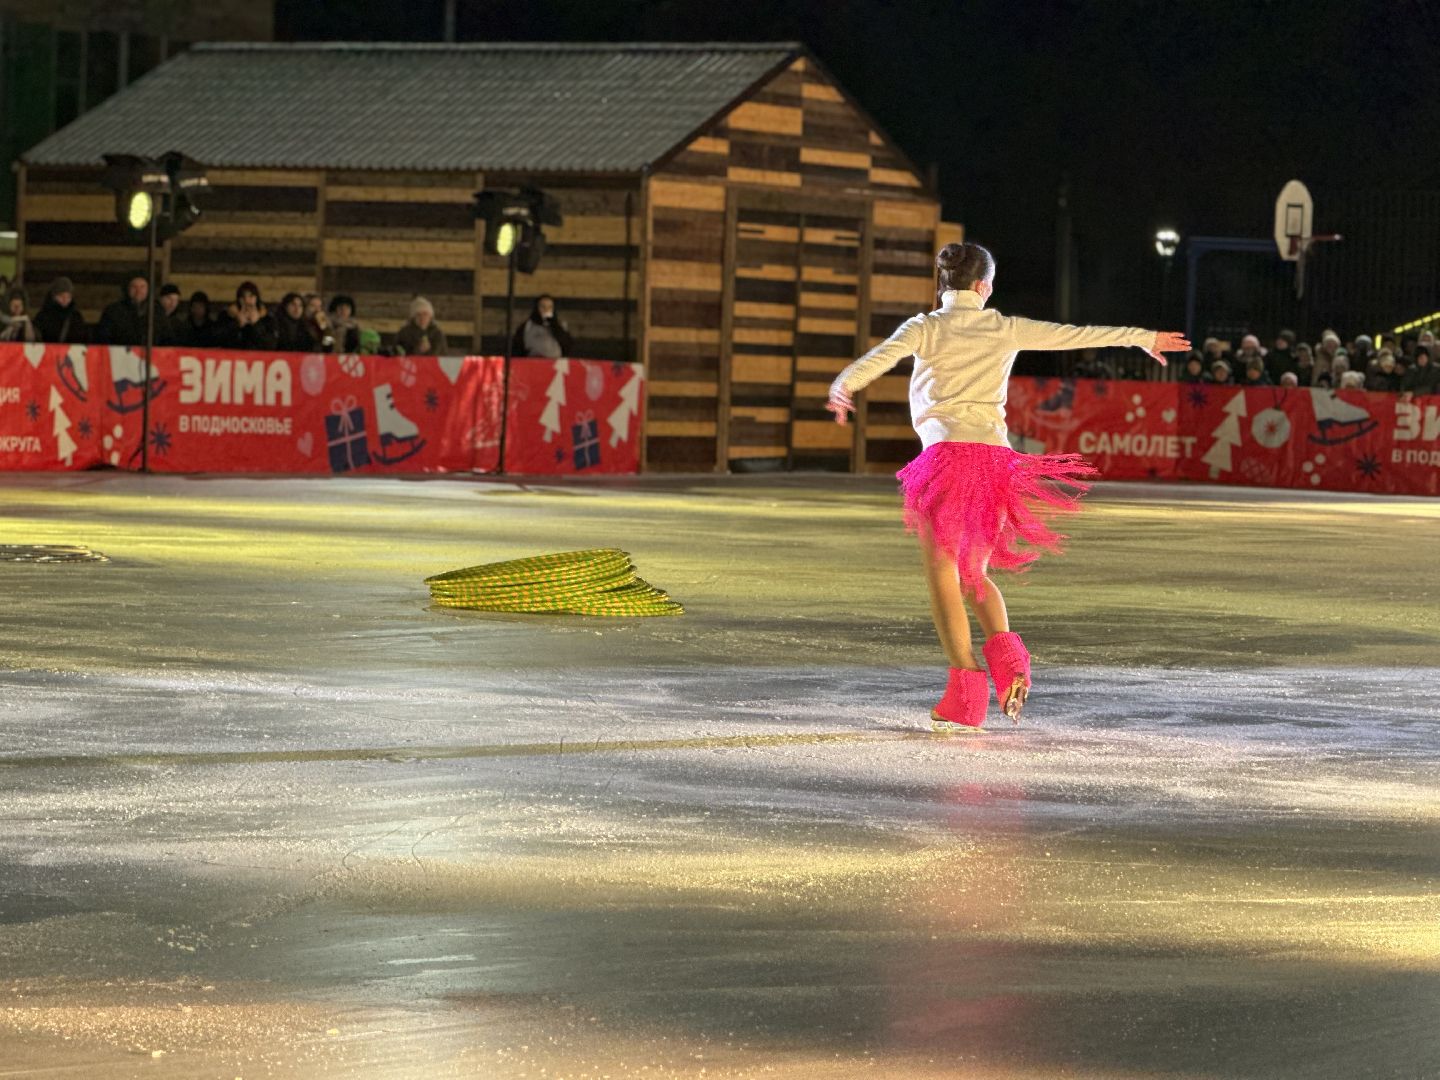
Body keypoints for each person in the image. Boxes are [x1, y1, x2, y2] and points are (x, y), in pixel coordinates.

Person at [825, 241, 1187, 731]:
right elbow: (1075, 335)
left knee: (943, 576)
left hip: (946, 459)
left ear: (946, 284)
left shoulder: (925, 327)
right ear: (984, 287)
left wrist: (843, 386)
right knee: (974, 575)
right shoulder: (1003, 327)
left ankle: (966, 695)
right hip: (995, 463)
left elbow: (877, 358)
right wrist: (1141, 337)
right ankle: (1011, 660)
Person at [217, 282, 279, 350]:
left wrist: (257, 324)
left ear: (256, 298)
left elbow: (271, 345)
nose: (247, 300)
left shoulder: (267, 318)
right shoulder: (227, 316)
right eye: (243, 297)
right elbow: (219, 341)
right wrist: (237, 324)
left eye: (251, 296)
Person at [511, 294, 574, 358]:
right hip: (533, 361)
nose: (546, 310)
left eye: (550, 307)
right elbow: (517, 347)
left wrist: (555, 326)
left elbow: (567, 345)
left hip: (555, 361)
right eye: (543, 307)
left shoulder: (560, 326)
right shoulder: (527, 326)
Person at [97, 274, 153, 346]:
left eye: (142, 287)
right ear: (127, 289)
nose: (138, 291)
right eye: (134, 287)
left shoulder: (157, 310)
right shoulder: (113, 311)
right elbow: (103, 337)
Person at [32, 277, 89, 344]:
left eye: (68, 297)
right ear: (53, 296)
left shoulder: (76, 317)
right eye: (61, 296)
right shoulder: (43, 317)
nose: (65, 299)